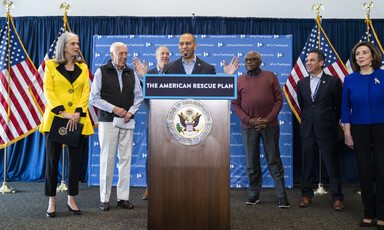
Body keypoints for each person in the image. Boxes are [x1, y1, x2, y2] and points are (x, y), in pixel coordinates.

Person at [40, 32, 94, 218]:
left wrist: (77, 112)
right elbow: (48, 90)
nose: (76, 46)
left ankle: (71, 198)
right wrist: (63, 112)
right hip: (56, 118)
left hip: (77, 120)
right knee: (52, 162)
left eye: (78, 43)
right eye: (73, 43)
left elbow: (86, 91)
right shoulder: (50, 66)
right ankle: (51, 201)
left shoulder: (83, 67)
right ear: (64, 46)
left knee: (74, 162)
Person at [89, 42, 143, 211]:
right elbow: (94, 98)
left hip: (127, 121)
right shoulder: (101, 72)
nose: (124, 57)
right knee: (107, 160)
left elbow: (139, 97)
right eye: (120, 53)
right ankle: (104, 199)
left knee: (125, 160)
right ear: (112, 54)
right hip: (107, 121)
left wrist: (130, 113)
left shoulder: (131, 73)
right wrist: (114, 109)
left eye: (126, 53)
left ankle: (123, 198)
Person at [231, 51, 289, 208]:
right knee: (251, 162)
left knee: (274, 160)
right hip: (248, 127)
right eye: (246, 60)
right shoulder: (240, 80)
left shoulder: (271, 76)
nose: (248, 62)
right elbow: (235, 104)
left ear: (260, 61)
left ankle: (282, 196)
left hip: (270, 125)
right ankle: (253, 194)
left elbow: (279, 100)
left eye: (252, 59)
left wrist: (268, 120)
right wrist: (249, 120)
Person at [341, 41, 384, 228]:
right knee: (364, 171)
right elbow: (345, 108)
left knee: (381, 170)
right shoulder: (350, 79)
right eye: (357, 53)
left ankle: (382, 214)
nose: (360, 56)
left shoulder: (383, 75)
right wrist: (347, 132)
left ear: (373, 56)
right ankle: (369, 213)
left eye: (364, 52)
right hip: (358, 128)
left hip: (382, 127)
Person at [296, 49, 344, 210]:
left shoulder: (333, 82)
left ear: (321, 62)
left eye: (312, 60)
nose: (308, 63)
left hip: (327, 129)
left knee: (332, 165)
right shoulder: (301, 83)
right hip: (307, 130)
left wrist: (329, 121)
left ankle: (338, 198)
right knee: (307, 165)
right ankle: (306, 196)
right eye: (307, 60)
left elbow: (338, 107)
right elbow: (304, 106)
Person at [133, 46, 170, 200]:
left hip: (172, 122)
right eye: (162, 53)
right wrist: (144, 78)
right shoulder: (148, 75)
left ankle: (169, 187)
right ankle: (150, 188)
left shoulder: (175, 73)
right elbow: (145, 99)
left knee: (171, 156)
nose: (165, 56)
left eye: (167, 53)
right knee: (152, 156)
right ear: (156, 56)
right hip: (153, 121)